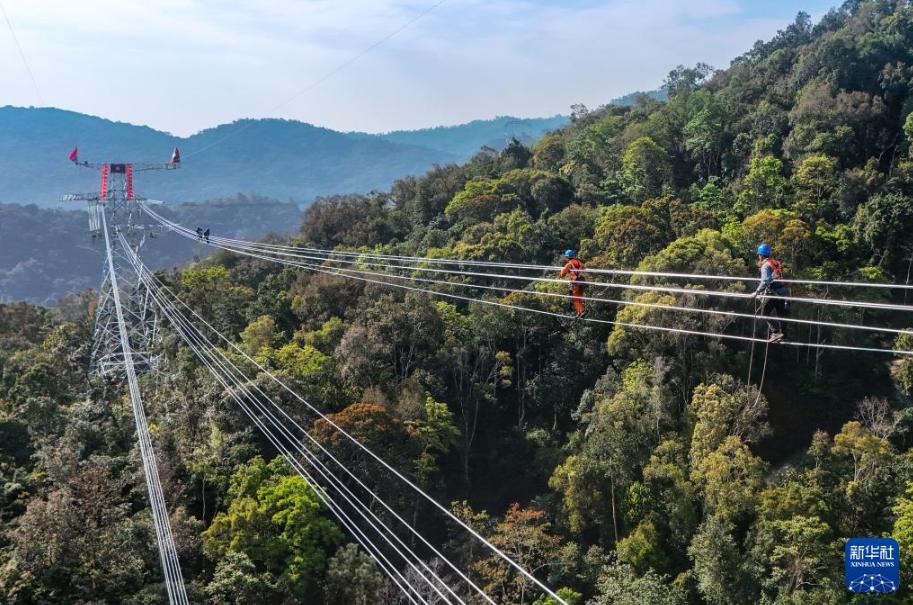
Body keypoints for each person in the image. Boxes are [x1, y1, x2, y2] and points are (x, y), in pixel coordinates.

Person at [750, 243, 788, 343]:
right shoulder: (776, 263)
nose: (758, 256)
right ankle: (782, 334)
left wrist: (757, 292)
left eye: (759, 254)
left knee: (763, 313)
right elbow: (774, 277)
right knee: (781, 314)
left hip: (773, 293)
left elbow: (765, 281)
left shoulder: (765, 266)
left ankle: (775, 332)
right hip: (782, 292)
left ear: (761, 255)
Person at [558, 249, 587, 318]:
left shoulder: (569, 264)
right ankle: (579, 313)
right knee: (579, 297)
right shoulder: (578, 262)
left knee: (575, 298)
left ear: (567, 257)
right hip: (581, 282)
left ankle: (582, 311)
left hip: (575, 283)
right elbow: (584, 267)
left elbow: (562, 274)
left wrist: (566, 273)